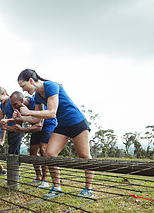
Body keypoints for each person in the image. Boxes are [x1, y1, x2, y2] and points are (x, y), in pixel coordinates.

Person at [14, 69, 94, 199]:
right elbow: (37, 120)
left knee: (84, 156)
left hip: (76, 122)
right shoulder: (38, 96)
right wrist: (21, 118)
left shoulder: (51, 85)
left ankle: (88, 189)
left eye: (23, 86)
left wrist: (28, 112)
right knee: (49, 154)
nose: (23, 90)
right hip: (62, 126)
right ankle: (57, 187)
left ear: (31, 81)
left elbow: (51, 112)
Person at [8, 91, 57, 189]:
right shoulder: (20, 108)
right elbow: (20, 121)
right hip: (35, 126)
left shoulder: (36, 102)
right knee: (32, 152)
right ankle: (38, 176)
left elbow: (39, 126)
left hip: (48, 125)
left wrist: (22, 130)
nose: (14, 107)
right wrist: (7, 122)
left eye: (15, 104)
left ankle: (45, 179)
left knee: (43, 150)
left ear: (21, 100)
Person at [0, 87, 24, 155]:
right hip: (10, 129)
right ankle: (16, 165)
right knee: (13, 150)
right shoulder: (2, 105)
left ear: (4, 94)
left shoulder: (12, 101)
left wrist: (6, 120)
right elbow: (0, 117)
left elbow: (19, 117)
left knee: (12, 150)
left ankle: (14, 165)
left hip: (17, 128)